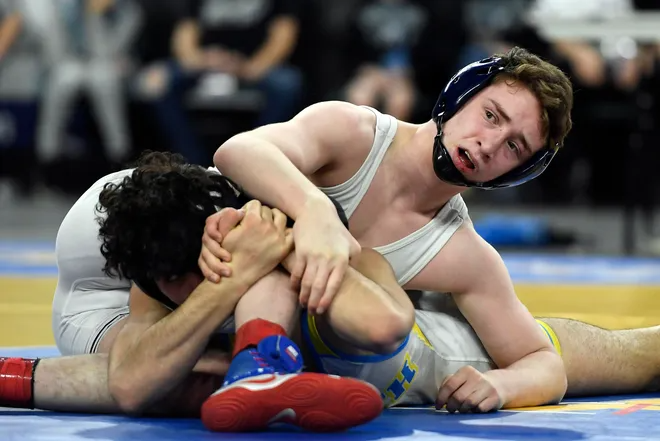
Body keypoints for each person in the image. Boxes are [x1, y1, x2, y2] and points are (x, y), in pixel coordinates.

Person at [204, 45, 660, 401]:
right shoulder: (353, 133)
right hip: (194, 255)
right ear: (459, 96)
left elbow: (541, 360)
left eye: (514, 147)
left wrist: (505, 387)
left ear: (515, 173)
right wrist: (315, 210)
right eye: (490, 115)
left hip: (274, 332)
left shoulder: (463, 255)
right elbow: (237, 150)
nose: (489, 144)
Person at [0, 152, 384, 433]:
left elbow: (347, 246)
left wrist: (296, 235)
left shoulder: (254, 204)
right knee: (170, 376)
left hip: (181, 222)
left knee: (276, 323)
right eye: (199, 278)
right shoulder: (145, 270)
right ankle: (7, 377)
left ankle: (260, 368)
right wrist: (234, 279)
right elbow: (131, 386)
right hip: (96, 295)